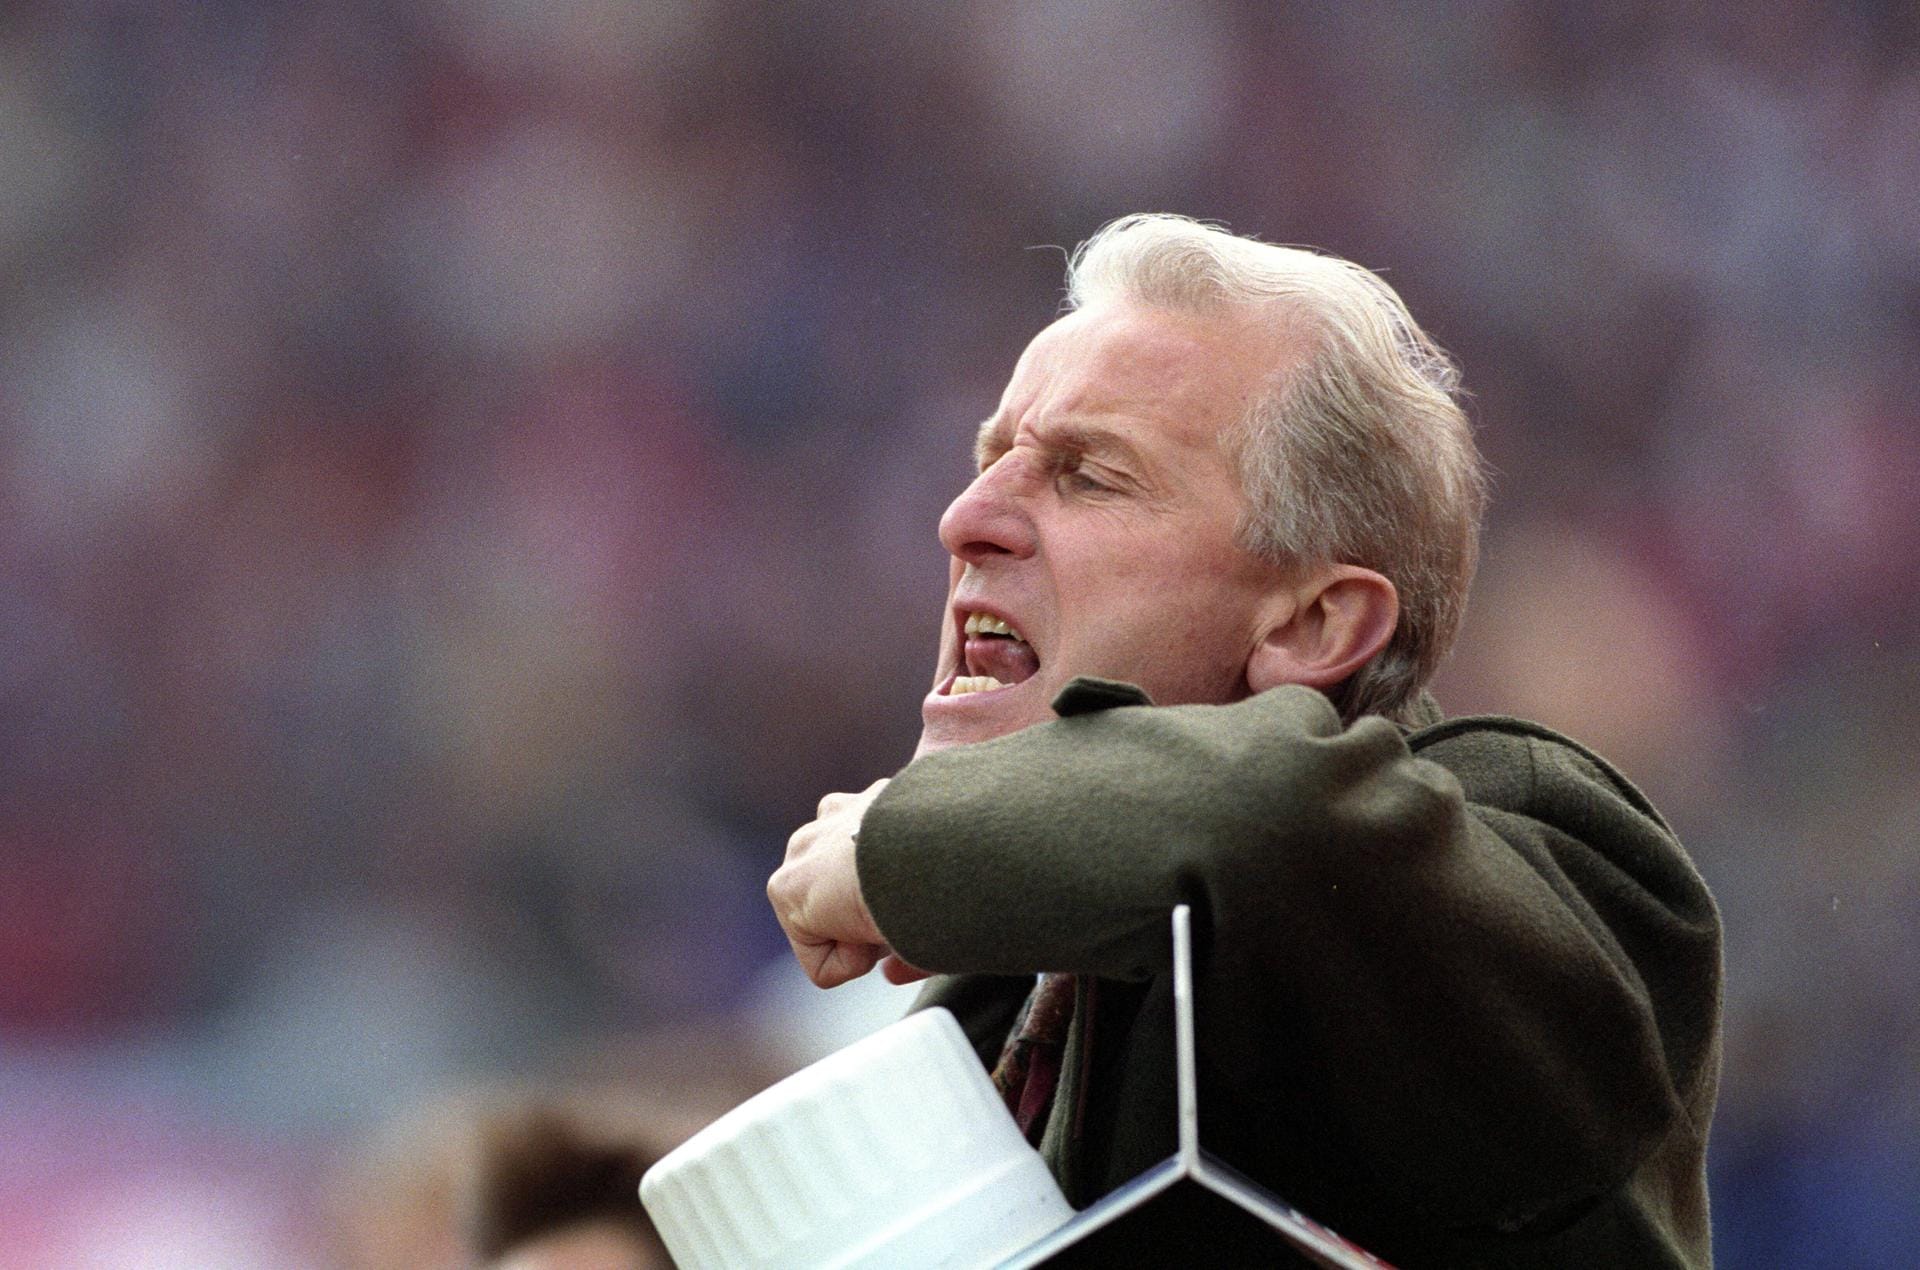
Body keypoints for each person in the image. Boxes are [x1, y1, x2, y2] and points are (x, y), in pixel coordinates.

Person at [768, 214, 1722, 1267]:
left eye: (1090, 475)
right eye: (992, 457)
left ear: (1312, 625)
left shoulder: (1533, 849)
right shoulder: (999, 999)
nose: (966, 517)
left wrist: (893, 846)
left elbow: (1272, 825)